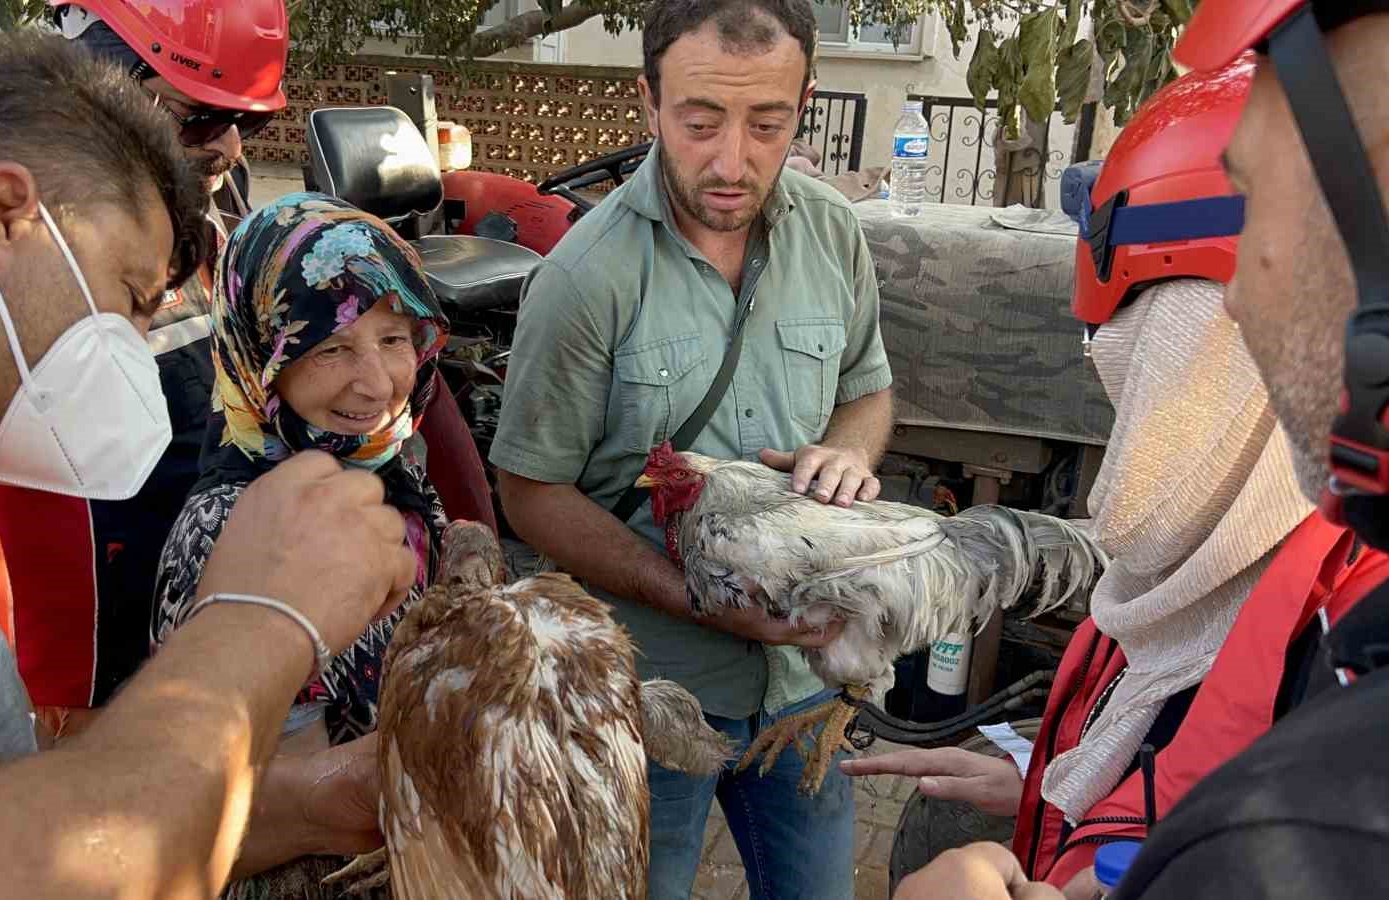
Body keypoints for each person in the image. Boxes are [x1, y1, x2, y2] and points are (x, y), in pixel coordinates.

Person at [0, 32, 415, 898]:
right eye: (126, 295)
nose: (128, 347)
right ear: (6, 212)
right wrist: (261, 617)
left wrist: (318, 800)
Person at [892, 0, 1389, 896]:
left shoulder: (1343, 700)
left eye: (1134, 362)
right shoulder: (1179, 594)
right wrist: (1052, 796)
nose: (1246, 305)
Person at [489, 1, 894, 895]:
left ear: (806, 103)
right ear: (649, 102)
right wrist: (700, 599)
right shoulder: (584, 277)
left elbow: (867, 387)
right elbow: (528, 490)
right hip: (648, 695)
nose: (730, 160)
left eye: (767, 124)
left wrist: (851, 452)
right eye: (700, 121)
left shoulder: (833, 233)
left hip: (806, 685)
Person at [0, 0, 494, 721]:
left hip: (236, 584)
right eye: (199, 118)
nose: (228, 149)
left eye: (246, 123)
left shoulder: (204, 196)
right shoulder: (24, 253)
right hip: (100, 647)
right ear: (98, 89)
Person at [153, 194, 449, 895]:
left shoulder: (388, 464)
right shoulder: (239, 526)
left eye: (393, 339)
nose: (375, 384)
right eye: (329, 348)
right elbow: (288, 798)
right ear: (262, 352)